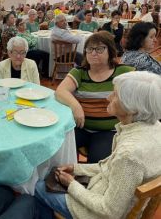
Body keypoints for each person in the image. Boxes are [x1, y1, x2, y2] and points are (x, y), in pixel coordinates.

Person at [35, 71, 161, 219]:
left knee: (37, 187)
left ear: (132, 108)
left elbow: (109, 212)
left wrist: (71, 185)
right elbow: (112, 167)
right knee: (52, 177)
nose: (108, 98)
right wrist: (76, 168)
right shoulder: (154, 127)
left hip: (96, 213)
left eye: (115, 95)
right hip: (110, 194)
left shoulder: (129, 155)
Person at [55, 31, 134, 163]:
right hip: (81, 127)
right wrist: (76, 106)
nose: (93, 53)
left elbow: (142, 94)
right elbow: (60, 91)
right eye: (90, 49)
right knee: (58, 150)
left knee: (97, 161)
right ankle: (66, 178)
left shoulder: (123, 72)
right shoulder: (80, 72)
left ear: (110, 51)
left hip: (109, 131)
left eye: (99, 49)